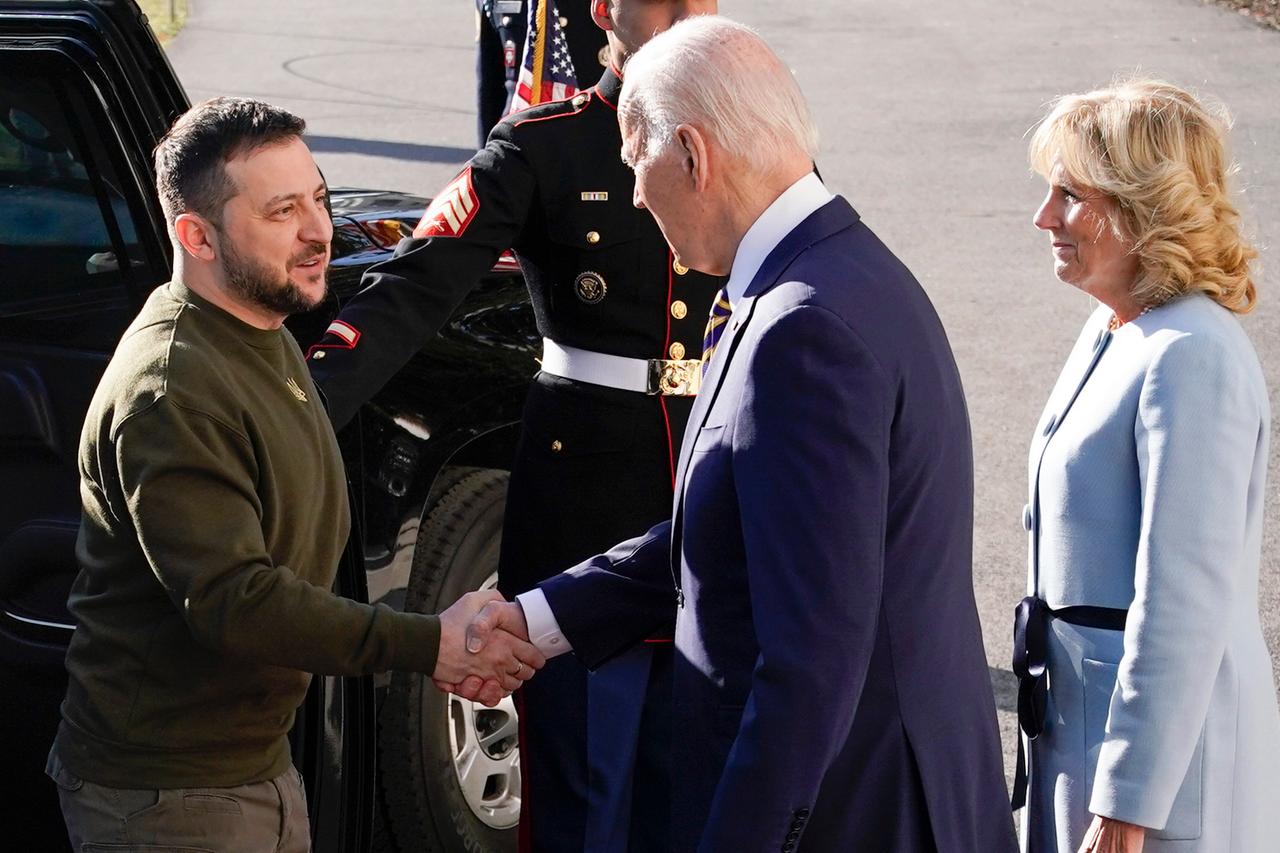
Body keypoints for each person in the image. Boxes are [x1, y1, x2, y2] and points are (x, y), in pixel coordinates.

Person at [460, 16, 1018, 852]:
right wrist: (539, 619)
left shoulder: (803, 326)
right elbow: (732, 534)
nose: (636, 194)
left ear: (694, 153)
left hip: (849, 816)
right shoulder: (837, 272)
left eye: (635, 159)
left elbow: (809, 664)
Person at [43, 97, 542, 853]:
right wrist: (429, 642)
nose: (319, 233)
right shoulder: (171, 388)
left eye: (320, 197)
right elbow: (239, 604)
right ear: (196, 235)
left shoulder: (259, 322)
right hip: (170, 798)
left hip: (256, 770)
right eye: (282, 212)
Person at [308, 3, 718, 849]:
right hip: (582, 520)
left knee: (702, 799)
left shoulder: (748, 138)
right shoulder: (544, 144)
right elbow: (414, 287)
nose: (685, 13)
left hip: (715, 510)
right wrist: (291, 416)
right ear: (603, 9)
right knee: (583, 800)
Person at [1014, 78, 1280, 853]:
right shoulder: (1116, 325)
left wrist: (1130, 798)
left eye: (1070, 194)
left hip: (1159, 769)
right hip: (1083, 731)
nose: (1044, 217)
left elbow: (1184, 598)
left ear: (1142, 205)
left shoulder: (1191, 354)